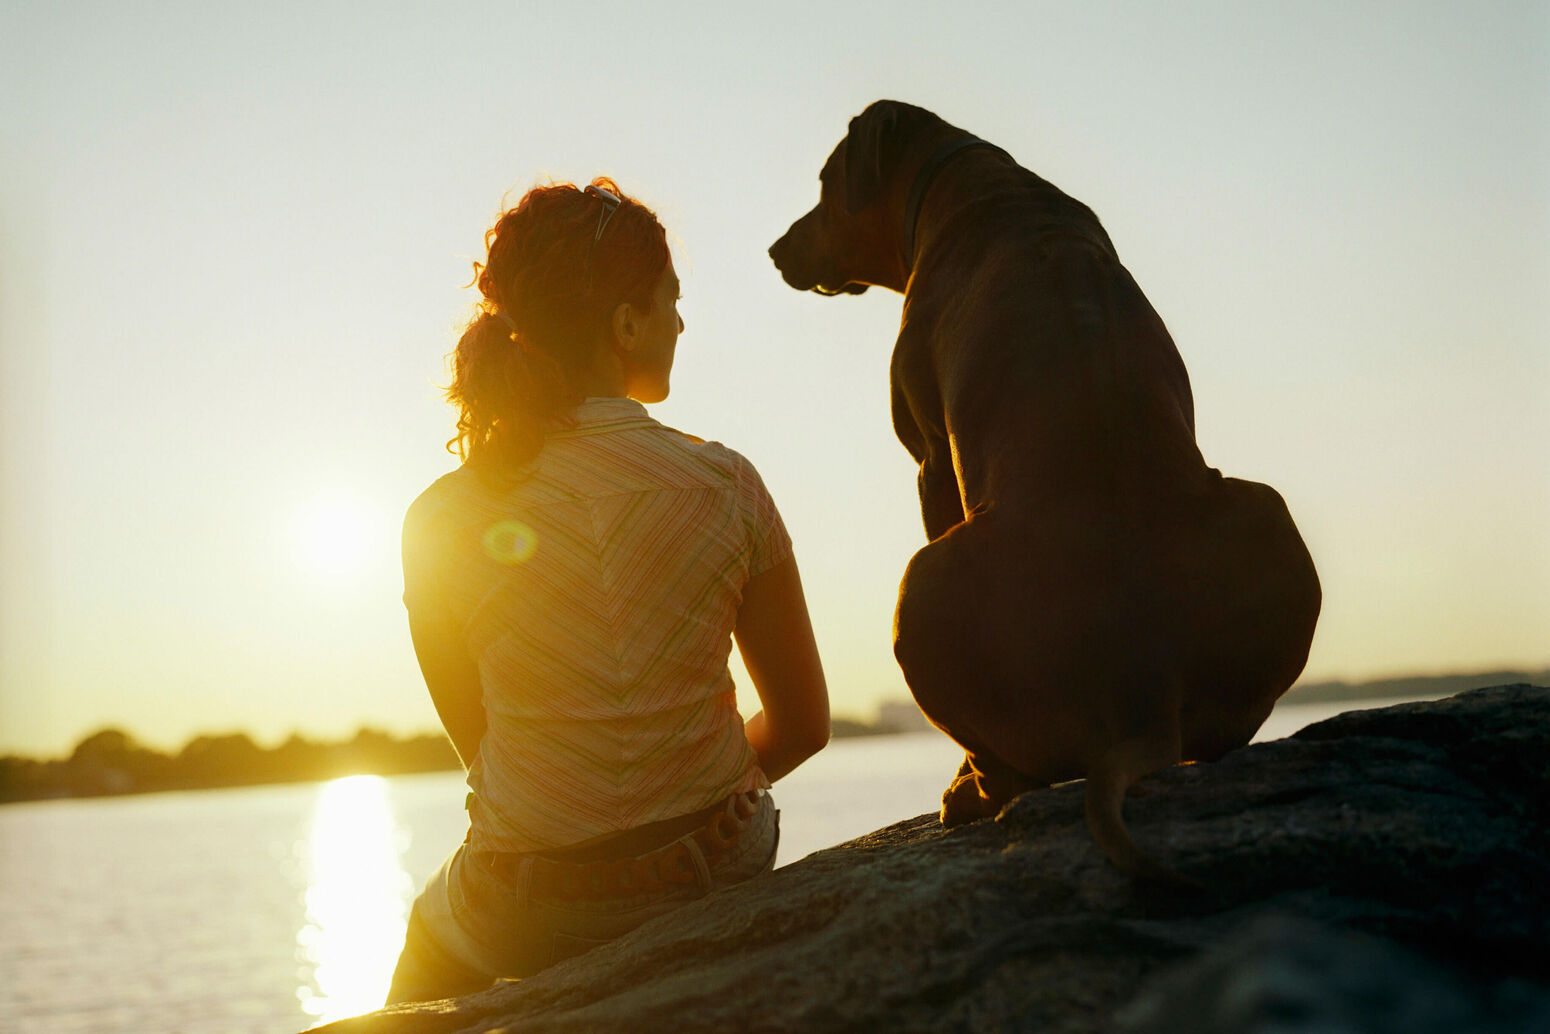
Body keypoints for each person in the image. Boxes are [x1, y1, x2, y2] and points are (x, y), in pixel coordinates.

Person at [386, 178, 831, 1004]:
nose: (682, 323)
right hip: (714, 864)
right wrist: (723, 790)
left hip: (532, 903)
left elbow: (487, 754)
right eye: (671, 302)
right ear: (627, 324)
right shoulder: (726, 484)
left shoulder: (438, 519)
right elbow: (804, 725)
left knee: (424, 945)